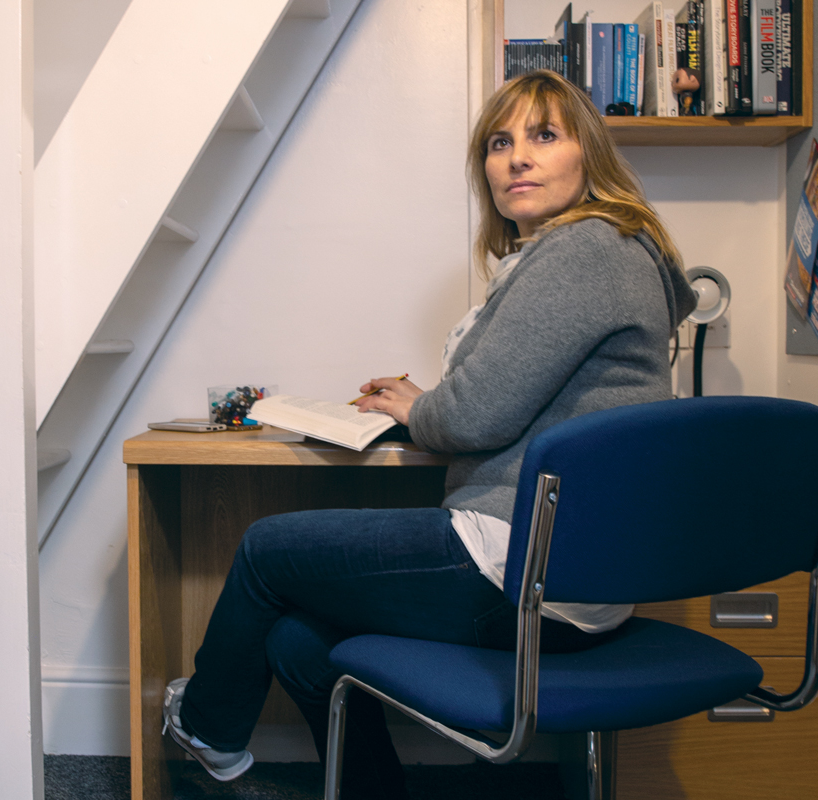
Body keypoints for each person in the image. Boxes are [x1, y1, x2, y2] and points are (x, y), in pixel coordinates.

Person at [160, 70, 696, 798]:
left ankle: (204, 726)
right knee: (297, 640)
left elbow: (474, 416)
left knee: (264, 550)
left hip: (523, 570)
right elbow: (508, 397)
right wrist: (428, 401)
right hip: (561, 577)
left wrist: (420, 408)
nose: (517, 158)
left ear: (588, 154)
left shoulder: (586, 248)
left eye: (544, 135)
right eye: (499, 143)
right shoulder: (596, 253)